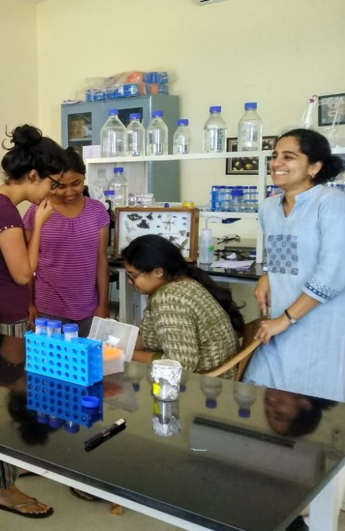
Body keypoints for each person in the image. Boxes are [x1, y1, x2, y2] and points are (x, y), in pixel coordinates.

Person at [0, 124, 63, 519]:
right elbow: (25, 273)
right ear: (34, 176)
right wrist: (38, 225)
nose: (52, 193)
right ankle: (4, 489)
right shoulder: (4, 211)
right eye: (52, 183)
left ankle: (8, 473)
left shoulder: (0, 206)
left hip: (4, 315)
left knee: (14, 399)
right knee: (8, 404)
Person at [243, 129, 345, 402]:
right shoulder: (267, 207)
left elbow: (334, 274)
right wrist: (268, 274)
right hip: (279, 324)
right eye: (275, 156)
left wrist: (286, 319)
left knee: (312, 408)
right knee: (267, 400)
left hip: (320, 326)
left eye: (289, 157)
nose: (277, 163)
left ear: (314, 166)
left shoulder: (331, 203)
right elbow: (284, 253)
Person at [122, 234, 244, 376]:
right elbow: (160, 335)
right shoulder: (185, 281)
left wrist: (126, 354)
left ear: (158, 272)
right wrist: (122, 345)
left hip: (205, 384)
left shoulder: (169, 299)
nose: (130, 281)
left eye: (133, 275)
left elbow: (180, 364)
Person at [23, 147, 110, 338]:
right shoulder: (37, 212)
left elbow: (101, 261)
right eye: (61, 186)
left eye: (76, 183)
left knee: (86, 362)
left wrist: (103, 304)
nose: (70, 192)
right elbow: (26, 263)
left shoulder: (97, 211)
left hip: (88, 307)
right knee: (52, 362)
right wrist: (29, 303)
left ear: (84, 178)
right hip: (48, 308)